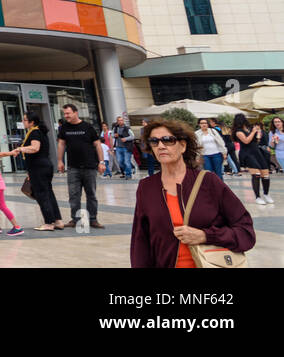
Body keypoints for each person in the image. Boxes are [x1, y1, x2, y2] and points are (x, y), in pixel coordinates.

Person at [130, 119, 256, 267]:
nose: (161, 146)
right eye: (154, 141)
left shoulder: (208, 181)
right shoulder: (146, 187)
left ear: (183, 145)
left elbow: (245, 232)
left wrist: (205, 236)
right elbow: (140, 241)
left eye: (168, 140)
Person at [7, 112, 62, 230]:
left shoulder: (35, 133)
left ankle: (48, 223)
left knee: (41, 194)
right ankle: (57, 220)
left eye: (25, 120)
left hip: (39, 167)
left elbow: (35, 148)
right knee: (48, 193)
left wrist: (20, 148)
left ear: (32, 122)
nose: (23, 122)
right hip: (43, 166)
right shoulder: (39, 131)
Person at [57, 103, 106, 230]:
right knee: (74, 195)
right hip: (73, 167)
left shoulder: (88, 127)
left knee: (91, 194)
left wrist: (101, 162)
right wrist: (60, 161)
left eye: (68, 113)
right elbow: (61, 144)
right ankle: (75, 219)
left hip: (90, 166)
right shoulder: (64, 128)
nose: (66, 116)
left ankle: (93, 219)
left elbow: (97, 145)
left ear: (75, 112)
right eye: (64, 114)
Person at [233, 114, 272, 205]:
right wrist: (254, 132)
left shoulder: (249, 129)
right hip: (247, 154)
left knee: (265, 174)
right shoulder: (238, 132)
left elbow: (255, 141)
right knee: (256, 174)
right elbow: (246, 141)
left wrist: (258, 135)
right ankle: (257, 197)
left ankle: (266, 194)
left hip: (257, 152)